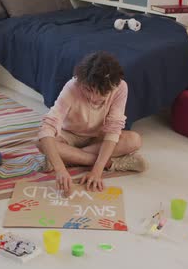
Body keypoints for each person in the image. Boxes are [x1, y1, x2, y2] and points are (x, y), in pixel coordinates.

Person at [37, 51, 148, 195]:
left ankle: (70, 158)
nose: (93, 97)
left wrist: (97, 172)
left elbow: (113, 130)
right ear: (81, 81)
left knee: (134, 140)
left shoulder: (121, 87)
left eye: (101, 94)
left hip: (98, 136)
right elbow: (47, 128)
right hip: (68, 135)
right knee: (41, 142)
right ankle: (112, 163)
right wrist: (60, 170)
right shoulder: (73, 86)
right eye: (88, 90)